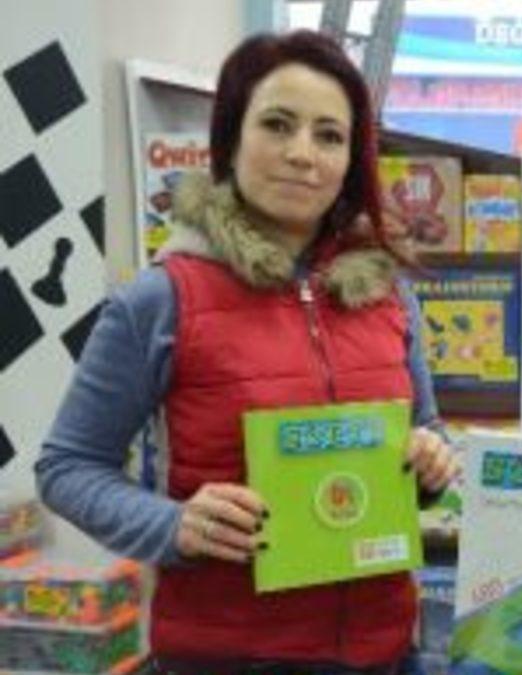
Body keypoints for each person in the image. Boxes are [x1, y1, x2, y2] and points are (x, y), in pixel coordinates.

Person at [37, 30, 459, 674]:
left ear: (351, 160)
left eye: (329, 135)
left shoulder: (386, 293)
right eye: (277, 125)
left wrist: (431, 461)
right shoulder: (160, 298)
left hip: (382, 652)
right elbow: (67, 467)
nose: (302, 154)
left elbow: (426, 431)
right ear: (231, 138)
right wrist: (172, 525)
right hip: (226, 657)